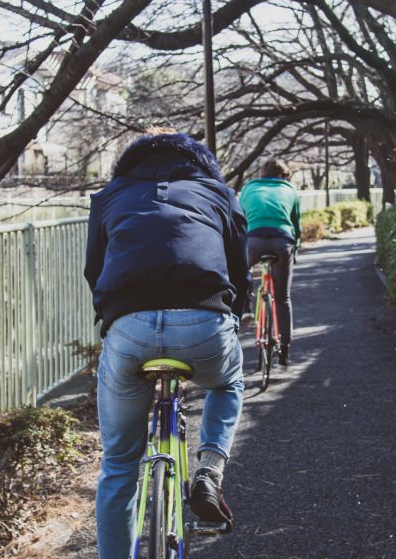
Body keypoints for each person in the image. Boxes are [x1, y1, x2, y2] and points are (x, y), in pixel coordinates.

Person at [84, 132, 250, 559]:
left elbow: (94, 269)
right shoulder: (218, 194)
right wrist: (234, 316)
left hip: (130, 327)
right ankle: (209, 469)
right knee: (228, 382)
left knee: (119, 464)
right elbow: (239, 269)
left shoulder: (109, 196)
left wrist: (114, 316)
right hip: (203, 321)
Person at [238, 158, 301, 366]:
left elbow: (239, 220)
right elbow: (296, 225)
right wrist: (295, 250)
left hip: (253, 241)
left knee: (239, 275)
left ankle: (246, 307)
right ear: (283, 175)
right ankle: (284, 352)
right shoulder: (290, 190)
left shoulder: (248, 189)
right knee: (282, 298)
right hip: (282, 242)